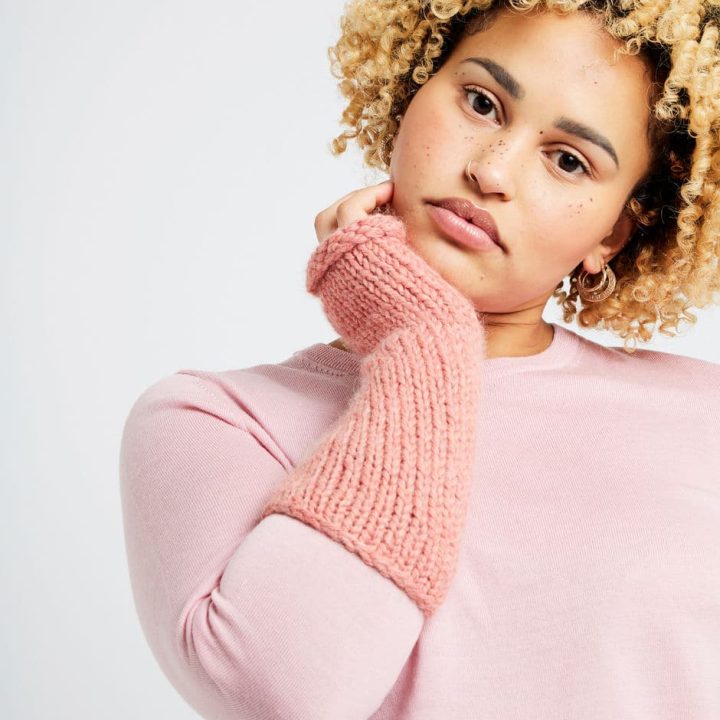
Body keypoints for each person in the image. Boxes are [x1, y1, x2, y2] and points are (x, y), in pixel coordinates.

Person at [119, 2, 720, 719]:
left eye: (568, 160)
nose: (491, 170)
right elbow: (286, 697)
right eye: (481, 103)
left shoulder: (704, 418)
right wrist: (423, 340)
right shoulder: (215, 422)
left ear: (612, 234)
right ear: (410, 94)